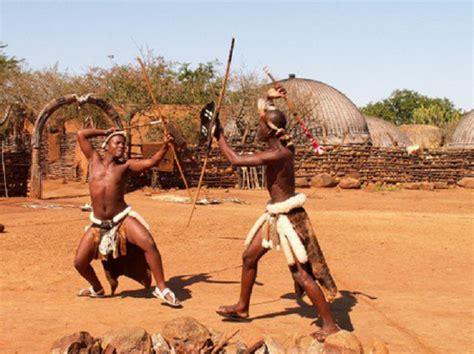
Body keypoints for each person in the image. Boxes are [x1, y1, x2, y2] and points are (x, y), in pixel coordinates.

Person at [213, 87, 339, 341]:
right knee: (249, 257)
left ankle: (330, 325)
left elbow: (236, 160)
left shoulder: (277, 154)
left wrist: (219, 138)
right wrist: (268, 99)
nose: (257, 128)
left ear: (269, 130)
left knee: (302, 274)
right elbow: (270, 120)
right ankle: (243, 307)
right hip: (276, 215)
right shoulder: (283, 147)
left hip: (288, 218)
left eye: (260, 125)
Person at [74, 127, 181, 307]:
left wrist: (165, 146)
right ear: (106, 145)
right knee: (79, 263)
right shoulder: (93, 160)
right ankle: (97, 288)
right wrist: (105, 131)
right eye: (117, 142)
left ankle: (162, 288)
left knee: (148, 243)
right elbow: (80, 134)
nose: (122, 146)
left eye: (124, 143)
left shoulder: (125, 166)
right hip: (98, 224)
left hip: (121, 219)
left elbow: (151, 162)